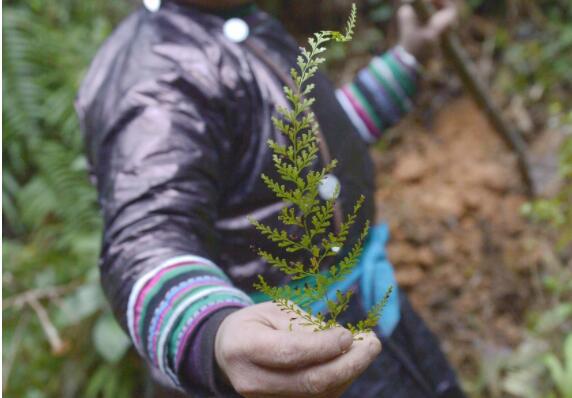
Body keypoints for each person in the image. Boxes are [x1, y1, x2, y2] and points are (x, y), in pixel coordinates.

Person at [76, 0, 465, 397]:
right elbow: (145, 238)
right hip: (293, 361)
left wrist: (403, 64)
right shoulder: (151, 77)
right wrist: (213, 330)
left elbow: (302, 150)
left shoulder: (242, 21)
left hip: (367, 314)